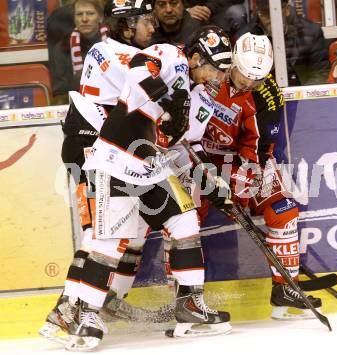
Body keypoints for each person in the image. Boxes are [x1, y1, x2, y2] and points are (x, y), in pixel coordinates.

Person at [56, 24, 232, 350]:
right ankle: (87, 318)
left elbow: (183, 145)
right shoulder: (172, 56)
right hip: (116, 157)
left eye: (223, 70)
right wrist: (167, 96)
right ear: (195, 57)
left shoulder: (198, 96)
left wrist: (210, 179)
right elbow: (139, 65)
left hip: (151, 166)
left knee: (184, 220)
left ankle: (190, 305)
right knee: (111, 242)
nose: (218, 76)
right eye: (214, 67)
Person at [39, 0, 171, 348]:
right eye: (144, 21)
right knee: (102, 234)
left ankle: (101, 300)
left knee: (133, 229)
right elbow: (155, 92)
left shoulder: (106, 48)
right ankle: (70, 310)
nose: (151, 27)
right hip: (90, 147)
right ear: (127, 25)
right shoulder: (121, 54)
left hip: (99, 148)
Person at [197, 32, 322, 320]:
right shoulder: (207, 70)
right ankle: (186, 299)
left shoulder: (266, 95)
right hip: (194, 160)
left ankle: (284, 290)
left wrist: (239, 185)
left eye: (258, 79)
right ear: (232, 63)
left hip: (241, 160)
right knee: (182, 222)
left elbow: (261, 149)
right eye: (243, 74)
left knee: (283, 209)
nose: (249, 83)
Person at [239, 0, 329, 86]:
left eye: (275, 12)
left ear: (286, 10)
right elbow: (244, 74)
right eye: (265, 13)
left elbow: (320, 73)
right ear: (258, 12)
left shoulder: (311, 32)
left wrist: (302, 95)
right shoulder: (247, 36)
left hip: (302, 93)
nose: (270, 19)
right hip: (266, 95)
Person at [48, 0, 108, 104]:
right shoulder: (62, 48)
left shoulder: (114, 41)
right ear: (74, 19)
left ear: (100, 17)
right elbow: (60, 91)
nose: (84, 19)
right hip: (78, 105)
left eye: (90, 13)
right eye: (79, 14)